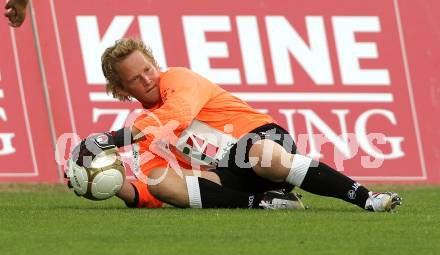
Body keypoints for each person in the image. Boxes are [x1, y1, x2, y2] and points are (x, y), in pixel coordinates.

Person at [71, 37, 401, 212]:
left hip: (262, 140)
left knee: (262, 155)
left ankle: (365, 197)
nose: (148, 79)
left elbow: (177, 115)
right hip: (228, 174)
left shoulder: (178, 79)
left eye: (148, 69)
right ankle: (266, 204)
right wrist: (114, 187)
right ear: (121, 91)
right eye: (136, 79)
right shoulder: (144, 129)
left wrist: (110, 138)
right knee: (159, 181)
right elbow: (151, 193)